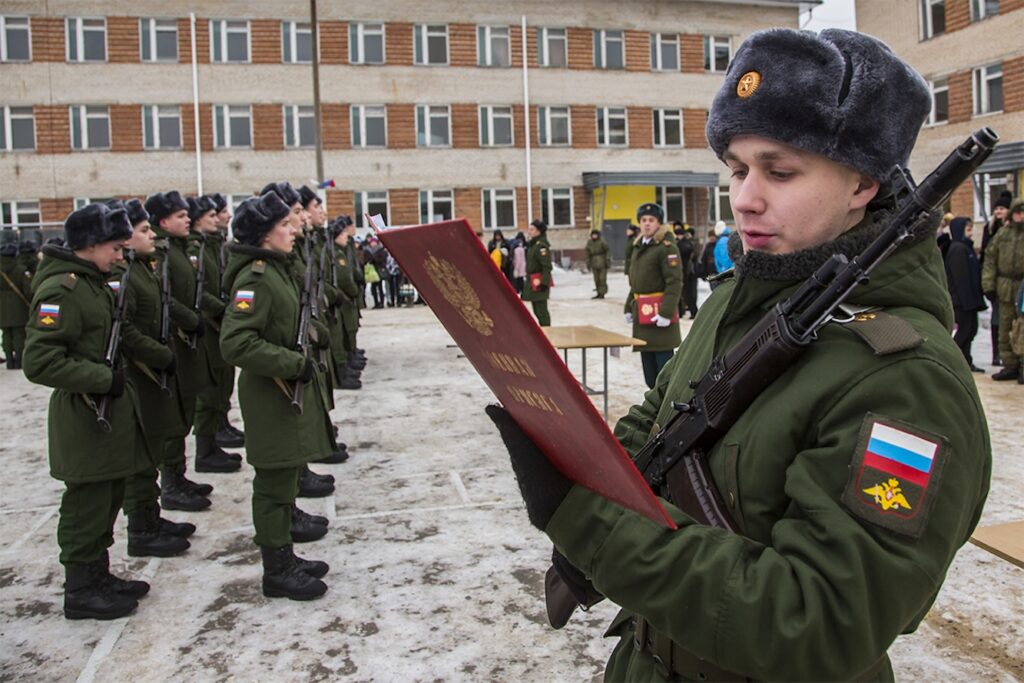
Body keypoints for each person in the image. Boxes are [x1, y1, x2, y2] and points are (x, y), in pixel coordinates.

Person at [488, 28, 991, 681]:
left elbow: (820, 619)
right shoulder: (740, 299)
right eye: (736, 167)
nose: (746, 196)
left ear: (864, 182)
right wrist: (580, 453)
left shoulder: (908, 378)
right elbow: (661, 421)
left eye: (779, 170)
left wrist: (593, 524)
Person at [22, 202, 151, 620]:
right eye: (114, 247)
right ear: (90, 245)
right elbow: (39, 362)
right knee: (86, 503)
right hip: (83, 413)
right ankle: (80, 589)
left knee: (109, 496)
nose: (119, 255)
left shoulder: (95, 282)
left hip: (107, 411)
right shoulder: (61, 290)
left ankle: (99, 575)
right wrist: (101, 378)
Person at [220, 192, 335, 600]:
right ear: (265, 236)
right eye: (284, 226)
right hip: (272, 393)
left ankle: (286, 552)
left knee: (286, 476)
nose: (293, 230)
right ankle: (276, 569)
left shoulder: (276, 270)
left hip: (288, 392)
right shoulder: (255, 278)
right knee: (272, 485)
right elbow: (235, 343)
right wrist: (290, 362)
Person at [107, 199, 192, 558]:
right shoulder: (122, 275)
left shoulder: (142, 267)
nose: (150, 236)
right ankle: (140, 527)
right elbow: (122, 328)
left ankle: (151, 515)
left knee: (151, 447)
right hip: (138, 374)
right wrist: (159, 354)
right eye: (143, 231)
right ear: (125, 239)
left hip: (152, 372)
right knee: (140, 454)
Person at [145, 191, 214, 512]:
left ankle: (178, 474)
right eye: (180, 216)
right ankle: (170, 482)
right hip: (174, 338)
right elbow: (163, 297)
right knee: (174, 411)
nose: (188, 219)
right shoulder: (160, 252)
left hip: (185, 340)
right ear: (163, 221)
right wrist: (190, 318)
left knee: (185, 406)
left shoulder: (177, 248)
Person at [187, 195, 242, 474]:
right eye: (214, 214)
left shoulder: (212, 245)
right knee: (208, 390)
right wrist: (222, 309)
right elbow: (197, 293)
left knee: (221, 382)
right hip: (207, 326)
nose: (224, 217)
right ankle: (205, 448)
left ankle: (218, 431)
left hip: (218, 323)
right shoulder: (194, 249)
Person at [623, 203, 682, 388]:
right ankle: (655, 411)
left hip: (659, 315)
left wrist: (666, 313)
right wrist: (628, 306)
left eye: (651, 220)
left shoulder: (665, 247)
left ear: (659, 223)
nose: (647, 224)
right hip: (643, 315)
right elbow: (636, 283)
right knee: (650, 376)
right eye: (643, 220)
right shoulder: (639, 246)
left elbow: (674, 282)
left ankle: (667, 413)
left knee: (664, 376)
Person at [981, 198, 1024, 382]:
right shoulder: (1003, 234)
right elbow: (990, 260)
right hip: (1005, 286)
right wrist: (988, 285)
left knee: (1021, 328)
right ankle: (1010, 365)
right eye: (1017, 213)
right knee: (1004, 328)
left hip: (1023, 287)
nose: (1020, 216)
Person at [944, 217, 986, 372]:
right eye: (968, 230)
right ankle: (954, 364)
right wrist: (967, 301)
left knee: (971, 331)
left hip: (969, 301)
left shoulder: (966, 248)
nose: (971, 233)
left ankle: (966, 361)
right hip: (960, 302)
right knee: (962, 332)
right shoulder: (958, 249)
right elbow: (961, 278)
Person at [980, 191, 1012, 364]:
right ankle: (997, 354)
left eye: (1002, 208)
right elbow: (987, 258)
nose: (999, 211)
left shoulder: (1014, 229)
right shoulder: (990, 228)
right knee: (998, 318)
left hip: (1012, 281)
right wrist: (987, 284)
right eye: (997, 208)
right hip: (997, 280)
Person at [0, 242, 31, 369]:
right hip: (19, 305)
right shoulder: (21, 270)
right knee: (19, 333)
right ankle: (18, 361)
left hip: (1, 305)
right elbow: (28, 290)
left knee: (6, 333)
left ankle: (9, 361)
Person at [522, 219, 553, 326]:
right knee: (537, 310)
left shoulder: (541, 246)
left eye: (532, 229)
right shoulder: (533, 245)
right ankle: (544, 331)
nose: (529, 231)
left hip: (539, 282)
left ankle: (547, 332)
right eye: (529, 229)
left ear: (539, 231)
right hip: (533, 281)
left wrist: (544, 282)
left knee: (541, 311)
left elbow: (547, 266)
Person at [674, 223, 699, 318]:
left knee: (687, 293)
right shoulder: (685, 243)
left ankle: (693, 311)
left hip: (686, 272)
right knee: (684, 293)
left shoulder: (683, 244)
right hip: (684, 271)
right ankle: (682, 311)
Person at [584, 228, 610, 299]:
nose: (594, 236)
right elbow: (587, 253)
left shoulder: (602, 241)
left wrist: (607, 261)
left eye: (595, 235)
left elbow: (607, 250)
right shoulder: (589, 242)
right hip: (594, 262)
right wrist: (588, 263)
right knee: (596, 279)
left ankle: (602, 292)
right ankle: (598, 292)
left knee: (602, 279)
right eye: (593, 235)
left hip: (602, 262)